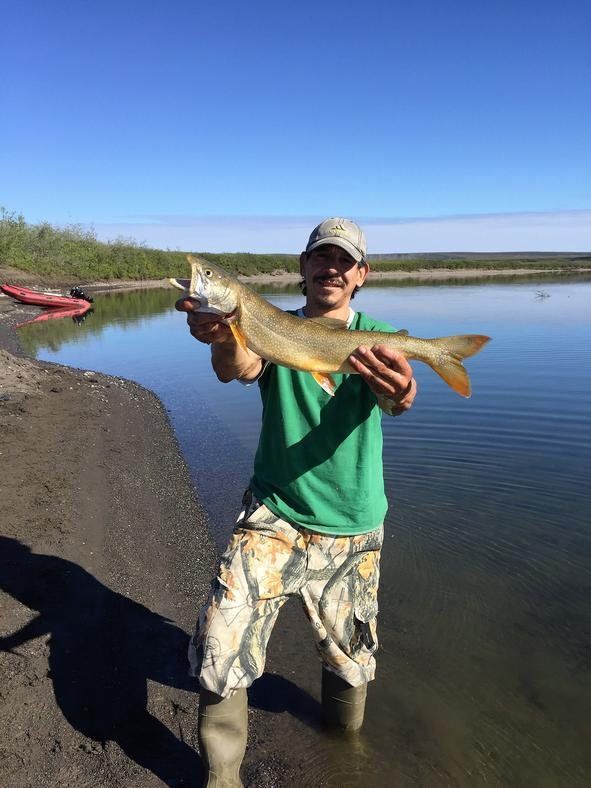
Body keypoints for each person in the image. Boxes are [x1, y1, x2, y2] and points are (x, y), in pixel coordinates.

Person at [177, 217, 417, 786]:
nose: (330, 268)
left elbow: (401, 400)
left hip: (354, 523)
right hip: (272, 514)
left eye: (344, 261)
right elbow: (236, 369)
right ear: (303, 268)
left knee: (350, 662)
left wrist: (403, 390)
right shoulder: (270, 324)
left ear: (361, 275)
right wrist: (224, 336)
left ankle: (345, 754)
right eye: (320, 258)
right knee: (219, 646)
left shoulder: (378, 334)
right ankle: (222, 778)